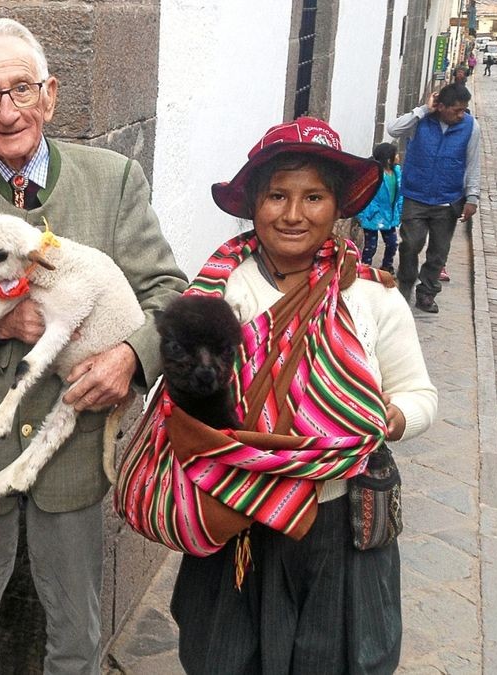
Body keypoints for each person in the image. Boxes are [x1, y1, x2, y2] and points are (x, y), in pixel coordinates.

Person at [0, 17, 187, 672]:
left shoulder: (112, 180)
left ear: (50, 95)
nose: (8, 111)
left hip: (75, 447)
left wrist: (131, 358)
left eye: (22, 89)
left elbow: (168, 292)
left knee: (78, 630)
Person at [167, 116, 438, 674]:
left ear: (338, 206)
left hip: (336, 520)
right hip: (240, 512)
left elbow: (419, 395)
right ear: (254, 204)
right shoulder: (221, 291)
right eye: (277, 196)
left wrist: (387, 417)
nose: (293, 214)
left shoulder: (371, 298)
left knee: (331, 657)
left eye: (313, 196)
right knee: (227, 655)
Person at [387, 83, 480, 313]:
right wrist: (423, 110)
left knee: (439, 252)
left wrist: (472, 197)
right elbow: (392, 130)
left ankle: (427, 292)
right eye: (456, 110)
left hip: (448, 200)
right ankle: (405, 286)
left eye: (463, 110)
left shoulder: (470, 127)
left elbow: (472, 163)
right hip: (416, 197)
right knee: (410, 245)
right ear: (440, 106)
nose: (461, 115)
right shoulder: (420, 121)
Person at [356, 142, 403, 273]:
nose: (398, 156)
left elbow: (400, 195)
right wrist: (364, 214)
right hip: (373, 216)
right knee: (370, 246)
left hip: (389, 216)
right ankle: (364, 269)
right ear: (389, 158)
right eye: (396, 154)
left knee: (392, 243)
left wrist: (400, 211)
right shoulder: (374, 174)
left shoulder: (397, 173)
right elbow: (363, 194)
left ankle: (387, 266)